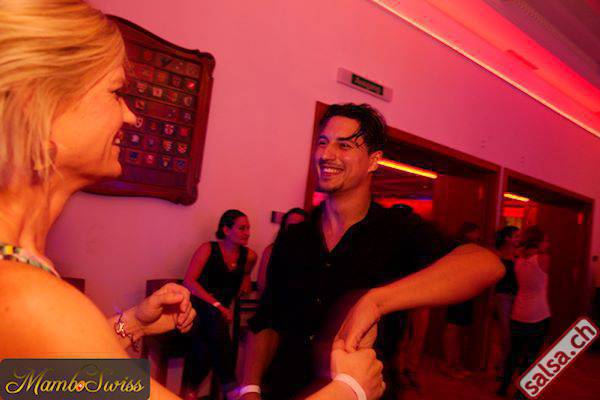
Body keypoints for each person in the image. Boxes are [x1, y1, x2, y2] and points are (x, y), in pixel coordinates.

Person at [0, 2, 385, 399]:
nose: (130, 117)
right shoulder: (30, 299)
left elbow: (37, 379)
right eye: (115, 93)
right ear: (40, 109)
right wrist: (350, 389)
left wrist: (132, 324)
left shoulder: (24, 282)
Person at [240, 103, 505, 399]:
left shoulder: (398, 229)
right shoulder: (294, 237)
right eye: (323, 142)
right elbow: (267, 319)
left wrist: (376, 301)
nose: (326, 154)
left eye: (344, 145)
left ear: (373, 160)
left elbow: (487, 264)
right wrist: (249, 388)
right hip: (286, 390)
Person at [181, 209, 258, 398]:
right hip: (198, 305)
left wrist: (246, 276)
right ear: (226, 229)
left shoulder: (249, 256)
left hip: (219, 316)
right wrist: (217, 305)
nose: (247, 233)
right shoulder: (208, 249)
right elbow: (189, 281)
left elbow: (246, 272)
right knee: (214, 319)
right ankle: (230, 386)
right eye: (241, 228)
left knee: (209, 337)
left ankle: (191, 389)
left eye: (248, 228)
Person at [497, 226, 551, 398]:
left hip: (518, 312)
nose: (548, 244)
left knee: (514, 353)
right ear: (538, 242)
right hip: (538, 314)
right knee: (531, 355)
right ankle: (521, 393)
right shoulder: (543, 259)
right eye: (546, 240)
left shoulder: (518, 260)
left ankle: (503, 387)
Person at [441, 222, 481, 378]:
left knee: (458, 331)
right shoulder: (457, 247)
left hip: (465, 291)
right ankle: (450, 364)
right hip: (457, 291)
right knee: (453, 329)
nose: (477, 235)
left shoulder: (467, 248)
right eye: (475, 232)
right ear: (467, 232)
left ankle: (455, 363)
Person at [257, 207, 308, 294]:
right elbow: (261, 284)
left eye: (298, 226)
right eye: (290, 226)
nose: (293, 230)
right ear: (284, 228)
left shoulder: (311, 254)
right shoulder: (271, 250)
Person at [493, 225, 520, 378]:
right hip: (502, 296)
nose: (518, 239)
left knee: (514, 333)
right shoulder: (498, 254)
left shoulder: (520, 255)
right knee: (505, 333)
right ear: (507, 238)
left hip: (518, 297)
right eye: (516, 236)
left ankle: (504, 364)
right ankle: (503, 366)